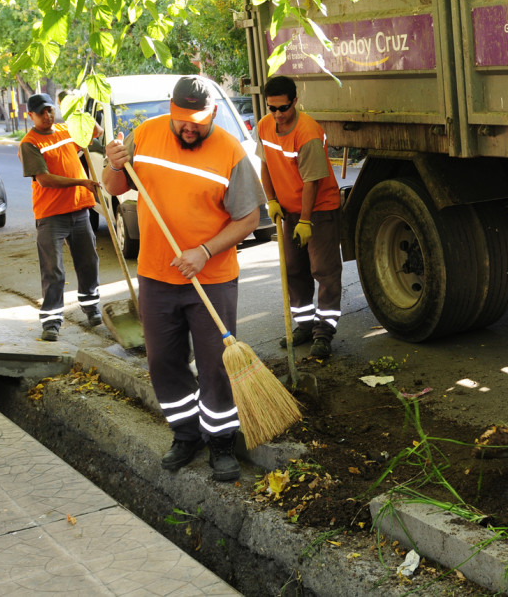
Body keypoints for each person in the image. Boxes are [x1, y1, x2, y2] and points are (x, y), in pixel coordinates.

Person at [103, 75, 261, 482]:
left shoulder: (229, 151)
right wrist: (113, 163)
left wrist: (205, 251)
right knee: (163, 361)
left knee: (215, 365)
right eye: (181, 119)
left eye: (199, 120)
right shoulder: (145, 135)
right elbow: (115, 187)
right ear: (171, 111)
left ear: (211, 115)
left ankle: (222, 440)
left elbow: (249, 218)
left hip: (212, 278)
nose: (189, 127)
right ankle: (186, 433)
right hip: (156, 276)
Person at [256, 75, 342, 360]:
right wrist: (270, 199)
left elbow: (312, 183)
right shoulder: (265, 127)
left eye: (283, 108)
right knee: (293, 270)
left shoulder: (308, 133)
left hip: (319, 209)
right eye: (272, 108)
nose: (278, 115)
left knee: (324, 271)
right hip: (289, 210)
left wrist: (306, 221)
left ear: (295, 101)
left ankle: (324, 333)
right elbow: (265, 165)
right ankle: (304, 324)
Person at [20, 93, 104, 342]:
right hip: (51, 216)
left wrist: (81, 111)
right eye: (41, 112)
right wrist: (81, 181)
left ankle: (91, 308)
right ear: (31, 116)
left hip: (79, 210)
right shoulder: (29, 143)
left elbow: (96, 133)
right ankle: (51, 322)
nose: (47, 116)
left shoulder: (68, 130)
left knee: (88, 262)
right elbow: (44, 179)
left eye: (50, 110)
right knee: (53, 270)